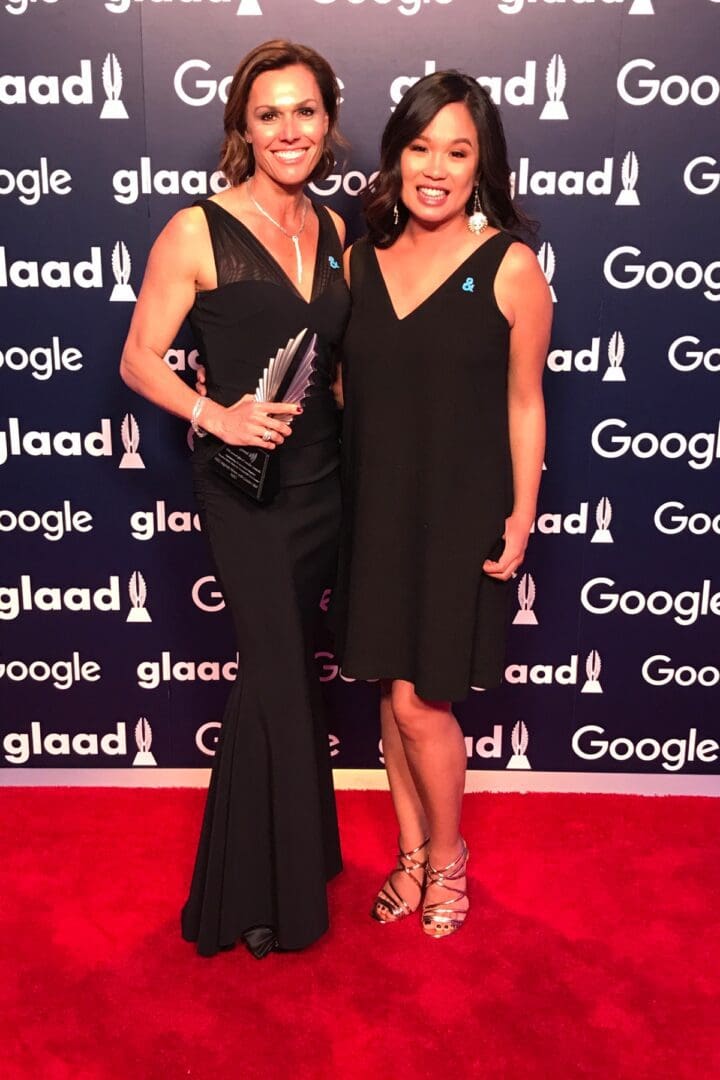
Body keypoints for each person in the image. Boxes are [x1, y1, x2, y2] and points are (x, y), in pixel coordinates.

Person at [119, 40, 350, 958]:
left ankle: (285, 868)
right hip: (247, 489)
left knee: (288, 671)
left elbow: (337, 373)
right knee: (277, 666)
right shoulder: (195, 230)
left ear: (327, 122)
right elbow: (139, 360)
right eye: (269, 114)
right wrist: (214, 413)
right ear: (242, 128)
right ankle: (262, 901)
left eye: (304, 111)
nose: (288, 129)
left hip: (328, 483)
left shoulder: (336, 231)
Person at [332, 71, 552, 938]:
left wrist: (521, 516)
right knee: (390, 693)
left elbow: (526, 402)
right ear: (397, 156)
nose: (436, 167)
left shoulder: (511, 268)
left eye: (457, 151)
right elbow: (346, 387)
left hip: (462, 513)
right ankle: (412, 852)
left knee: (426, 699)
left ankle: (451, 858)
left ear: (480, 164)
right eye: (420, 147)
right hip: (374, 506)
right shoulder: (357, 260)